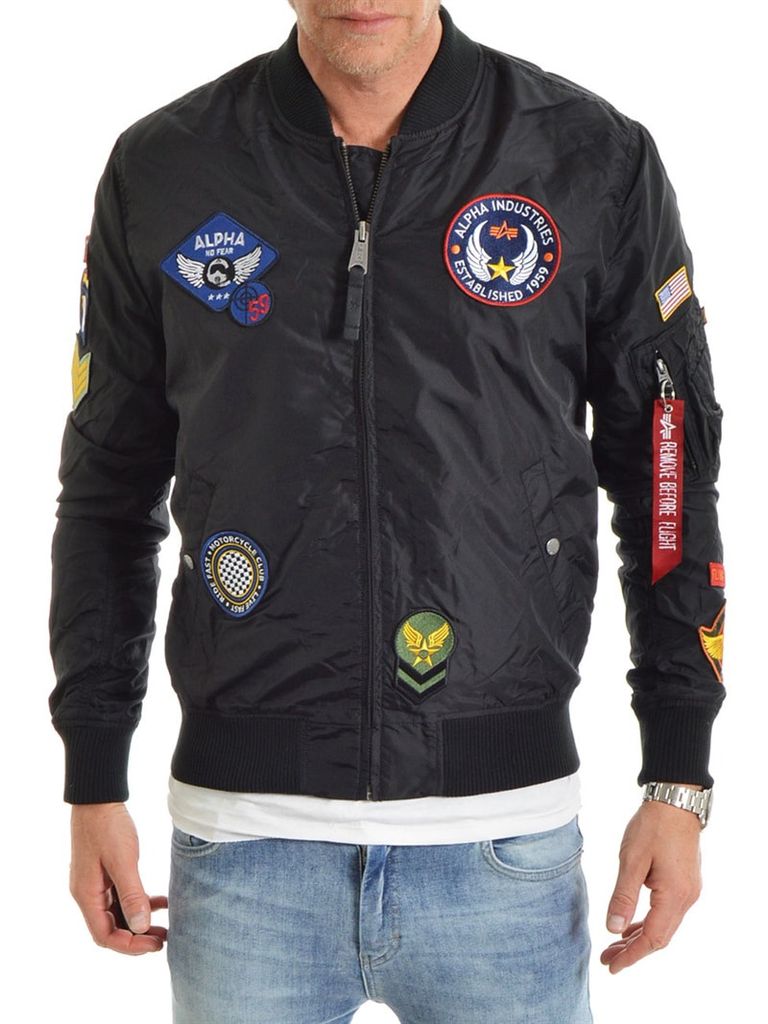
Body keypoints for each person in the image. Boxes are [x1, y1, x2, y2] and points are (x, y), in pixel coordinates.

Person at [48, 3, 725, 1022]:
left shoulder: (589, 157)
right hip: (244, 853)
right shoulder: (166, 166)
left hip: (505, 848)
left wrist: (679, 776)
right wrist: (93, 776)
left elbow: (667, 478)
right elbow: (108, 491)